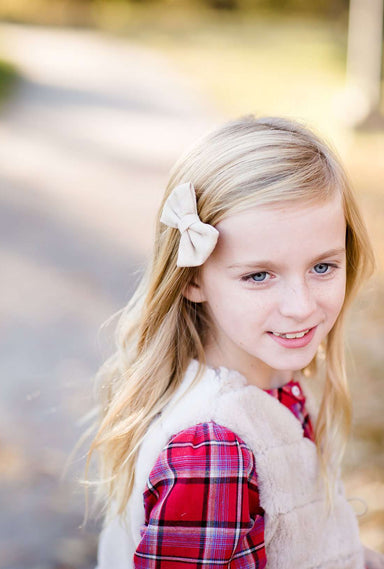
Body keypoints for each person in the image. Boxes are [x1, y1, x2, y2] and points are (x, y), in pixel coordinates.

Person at [87, 116, 384, 568]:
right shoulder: (213, 452)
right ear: (192, 280)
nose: (301, 306)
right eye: (259, 275)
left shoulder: (266, 385)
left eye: (322, 267)